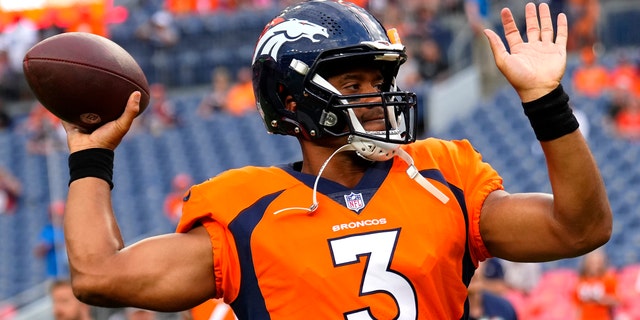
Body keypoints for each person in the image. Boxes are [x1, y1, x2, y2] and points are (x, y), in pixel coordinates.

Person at [60, 1, 611, 319]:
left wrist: (546, 100)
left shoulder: (443, 175)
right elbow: (97, 276)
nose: (376, 97)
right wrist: (91, 158)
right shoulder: (246, 211)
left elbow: (579, 229)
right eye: (353, 82)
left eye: (380, 80)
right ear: (293, 100)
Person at [574, 248, 619, 320]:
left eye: (598, 262)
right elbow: (577, 306)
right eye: (592, 262)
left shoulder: (608, 280)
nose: (595, 265)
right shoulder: (581, 281)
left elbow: (617, 301)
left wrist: (601, 299)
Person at [34, 200, 69, 279]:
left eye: (60, 216)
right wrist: (45, 247)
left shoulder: (70, 230)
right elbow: (38, 252)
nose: (58, 219)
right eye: (54, 216)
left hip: (70, 274)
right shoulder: (48, 230)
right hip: (54, 275)